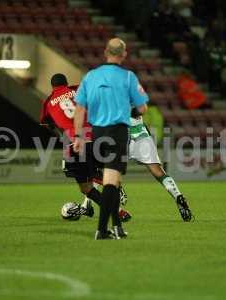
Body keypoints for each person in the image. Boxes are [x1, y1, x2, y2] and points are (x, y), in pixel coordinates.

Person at [73, 38, 148, 240]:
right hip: (117, 132)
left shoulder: (91, 77)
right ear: (124, 54)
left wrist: (79, 135)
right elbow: (142, 108)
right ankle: (101, 230)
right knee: (111, 182)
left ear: (105, 51)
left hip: (97, 134)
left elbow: (79, 109)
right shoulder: (128, 77)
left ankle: (116, 227)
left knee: (113, 182)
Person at [39, 73, 131, 222]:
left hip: (75, 143)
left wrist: (61, 129)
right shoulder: (77, 89)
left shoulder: (48, 102)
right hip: (97, 136)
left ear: (52, 87)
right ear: (66, 84)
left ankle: (117, 211)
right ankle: (112, 185)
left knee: (86, 187)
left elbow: (45, 123)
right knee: (102, 170)